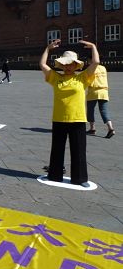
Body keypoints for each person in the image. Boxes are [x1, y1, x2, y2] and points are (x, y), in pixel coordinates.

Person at [39, 39, 99, 187]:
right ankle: (54, 175)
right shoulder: (55, 77)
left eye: (71, 64)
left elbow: (96, 63)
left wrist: (93, 47)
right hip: (59, 118)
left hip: (77, 119)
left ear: (76, 65)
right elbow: (42, 65)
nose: (68, 66)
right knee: (57, 149)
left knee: (78, 151)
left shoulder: (82, 77)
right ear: (62, 65)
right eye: (65, 64)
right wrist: (47, 48)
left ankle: (80, 179)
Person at [86, 62, 115, 139]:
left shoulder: (90, 68)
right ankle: (110, 128)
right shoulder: (103, 68)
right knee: (104, 110)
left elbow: (86, 80)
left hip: (93, 91)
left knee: (90, 110)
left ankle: (92, 128)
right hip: (104, 91)